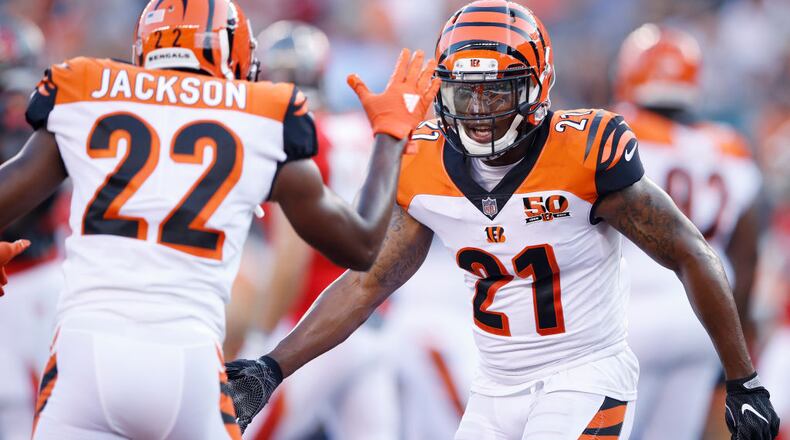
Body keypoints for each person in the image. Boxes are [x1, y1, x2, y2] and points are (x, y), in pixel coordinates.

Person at [225, 2, 781, 439]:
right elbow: (370, 281)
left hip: (584, 376)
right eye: (465, 92)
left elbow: (689, 251)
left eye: (496, 90)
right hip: (493, 390)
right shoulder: (425, 164)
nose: (479, 109)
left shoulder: (584, 152)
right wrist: (272, 367)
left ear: (536, 87)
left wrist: (743, 379)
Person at [0, 0, 440, 438]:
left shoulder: (87, 91)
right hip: (189, 362)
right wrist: (388, 137)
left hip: (86, 352)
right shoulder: (259, 116)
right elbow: (361, 245)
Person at [232, 21, 399, 440]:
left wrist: (261, 338)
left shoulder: (298, 140)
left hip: (315, 329)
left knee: (237, 430)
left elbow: (292, 260)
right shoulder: (356, 130)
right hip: (371, 322)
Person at [613, 24, 763, 439]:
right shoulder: (729, 146)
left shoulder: (615, 132)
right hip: (705, 317)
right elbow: (746, 256)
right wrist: (738, 341)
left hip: (632, 313)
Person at [0, 16, 65, 440]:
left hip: (32, 272)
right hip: (36, 272)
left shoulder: (24, 107)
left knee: (30, 409)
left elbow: (28, 197)